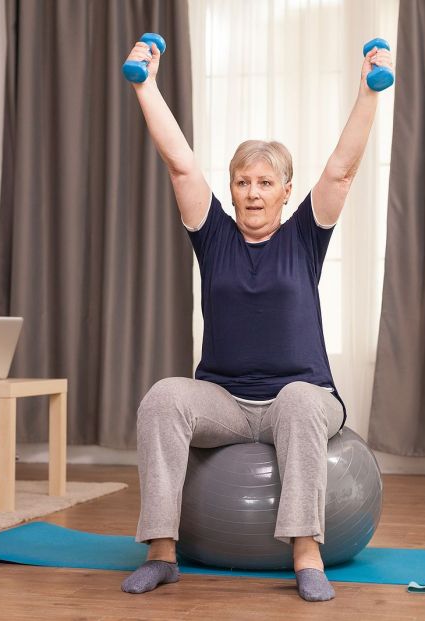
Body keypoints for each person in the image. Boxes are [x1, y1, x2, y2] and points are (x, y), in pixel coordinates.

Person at [120, 37, 393, 602]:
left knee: (295, 399)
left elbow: (341, 173)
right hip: (225, 400)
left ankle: (306, 554)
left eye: (265, 183)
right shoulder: (214, 235)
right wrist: (145, 86)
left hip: (305, 396)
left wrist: (370, 91)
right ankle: (162, 553)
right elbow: (179, 162)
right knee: (163, 398)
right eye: (243, 182)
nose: (252, 193)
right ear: (232, 189)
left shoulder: (303, 237)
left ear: (286, 192)